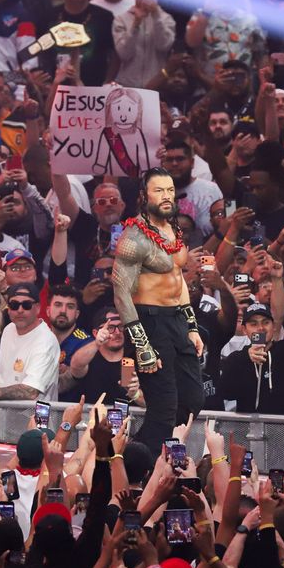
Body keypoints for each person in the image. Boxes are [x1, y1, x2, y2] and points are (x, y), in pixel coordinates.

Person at [111, 168, 203, 452]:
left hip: (176, 318)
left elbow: (179, 281)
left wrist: (191, 326)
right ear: (144, 196)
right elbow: (121, 290)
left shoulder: (172, 229)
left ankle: (143, 453)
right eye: (159, 191)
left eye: (170, 190)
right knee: (163, 408)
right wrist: (141, 345)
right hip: (149, 322)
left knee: (192, 401)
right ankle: (138, 465)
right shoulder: (134, 237)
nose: (166, 196)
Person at [0, 282, 59, 401]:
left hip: (37, 416)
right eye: (14, 305)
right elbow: (2, 375)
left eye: (26, 305)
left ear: (38, 308)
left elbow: (31, 391)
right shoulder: (8, 329)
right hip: (5, 414)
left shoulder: (46, 340)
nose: (20, 310)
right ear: (8, 309)